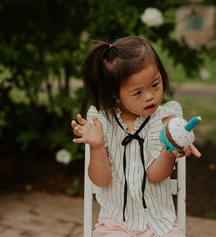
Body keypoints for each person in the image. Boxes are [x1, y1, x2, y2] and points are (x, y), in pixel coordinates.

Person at [71, 36, 201, 237]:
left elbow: (155, 176)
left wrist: (169, 151)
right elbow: (102, 181)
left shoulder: (163, 120)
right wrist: (96, 146)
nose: (150, 96)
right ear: (115, 94)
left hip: (159, 222)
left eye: (155, 85)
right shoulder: (102, 123)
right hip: (115, 224)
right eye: (137, 92)